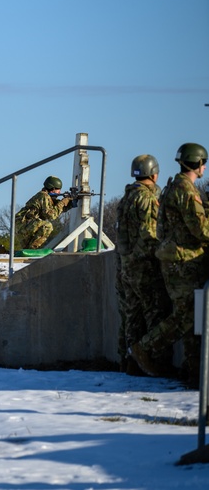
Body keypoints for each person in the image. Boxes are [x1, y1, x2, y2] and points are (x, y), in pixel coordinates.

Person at [131, 143, 209, 388]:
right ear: (197, 163)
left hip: (176, 261)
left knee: (190, 318)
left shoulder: (172, 188)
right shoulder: (186, 190)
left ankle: (193, 371)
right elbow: (200, 229)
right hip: (182, 264)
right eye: (203, 162)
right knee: (187, 318)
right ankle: (144, 348)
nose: (205, 167)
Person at [115, 154, 170, 373]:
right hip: (143, 266)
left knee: (133, 316)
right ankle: (154, 363)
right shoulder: (146, 199)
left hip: (127, 266)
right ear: (154, 173)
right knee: (154, 313)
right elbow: (149, 234)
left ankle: (130, 362)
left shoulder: (127, 197)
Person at [15, 176, 75, 249]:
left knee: (27, 248)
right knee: (47, 226)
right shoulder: (43, 196)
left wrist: (69, 204)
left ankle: (30, 249)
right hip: (23, 225)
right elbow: (51, 215)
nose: (59, 192)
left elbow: (57, 209)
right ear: (53, 189)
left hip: (26, 225)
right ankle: (32, 249)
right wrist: (63, 202)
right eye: (58, 190)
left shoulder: (48, 198)